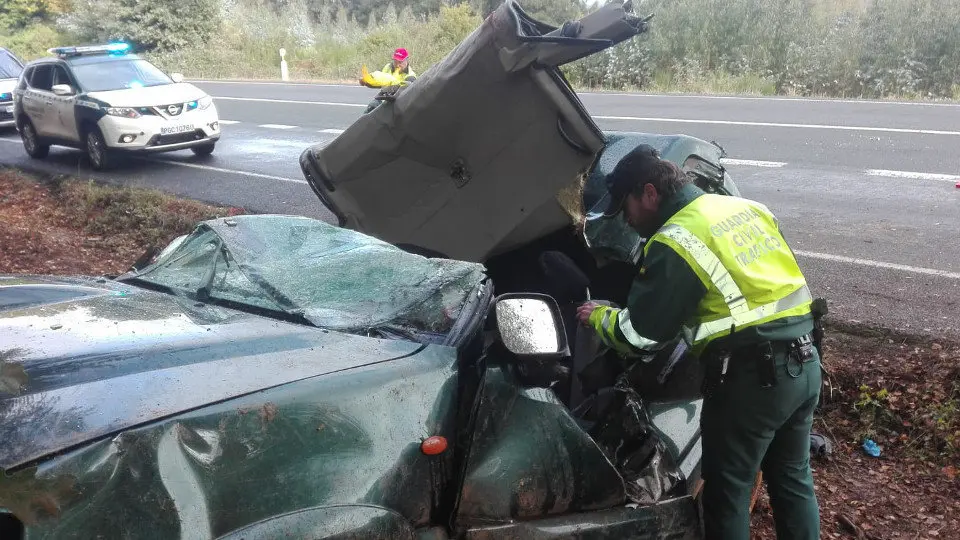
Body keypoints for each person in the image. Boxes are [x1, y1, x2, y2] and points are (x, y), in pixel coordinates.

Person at [576, 144, 822, 540]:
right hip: (805, 362)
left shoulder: (677, 239)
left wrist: (599, 317)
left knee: (728, 494)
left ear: (650, 193)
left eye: (626, 208)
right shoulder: (747, 210)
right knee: (792, 479)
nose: (626, 221)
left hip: (751, 382)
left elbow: (642, 335)